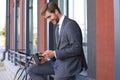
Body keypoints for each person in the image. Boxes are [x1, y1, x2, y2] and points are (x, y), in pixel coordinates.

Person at [27, 2, 88, 80]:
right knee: (32, 69)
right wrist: (47, 58)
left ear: (56, 11)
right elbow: (61, 50)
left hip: (69, 66)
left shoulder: (70, 25)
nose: (49, 20)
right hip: (58, 63)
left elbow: (77, 48)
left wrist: (54, 53)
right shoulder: (58, 28)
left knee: (59, 77)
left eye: (49, 16)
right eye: (47, 18)